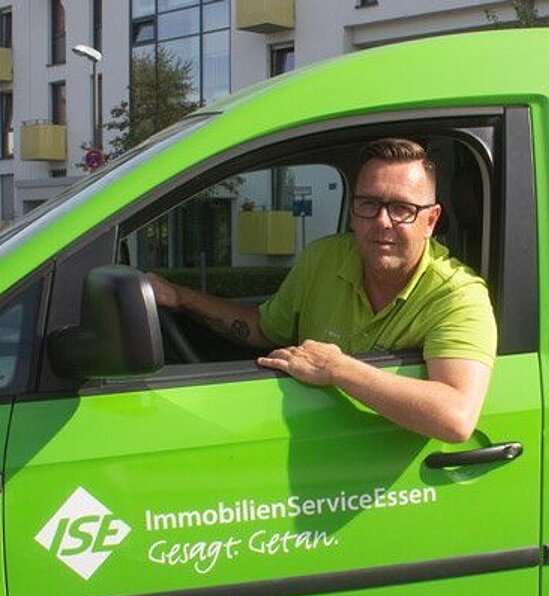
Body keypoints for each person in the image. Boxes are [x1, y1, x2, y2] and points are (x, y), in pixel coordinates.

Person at [149, 138, 497, 443]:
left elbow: (456, 417)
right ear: (352, 213)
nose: (382, 221)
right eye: (369, 204)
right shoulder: (323, 258)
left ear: (431, 220)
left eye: (403, 209)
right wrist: (181, 298)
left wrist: (337, 368)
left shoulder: (458, 295)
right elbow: (262, 328)